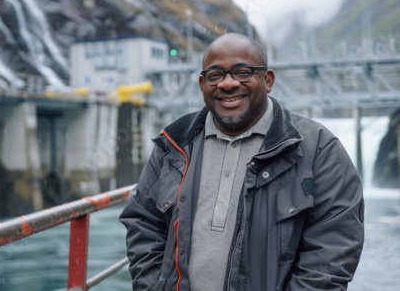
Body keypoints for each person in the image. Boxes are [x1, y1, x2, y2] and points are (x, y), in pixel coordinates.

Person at [119, 32, 364, 291]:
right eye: (215, 75)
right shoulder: (174, 144)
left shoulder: (319, 149)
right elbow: (143, 223)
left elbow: (333, 250)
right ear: (202, 84)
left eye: (242, 72)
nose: (227, 84)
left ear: (268, 80)